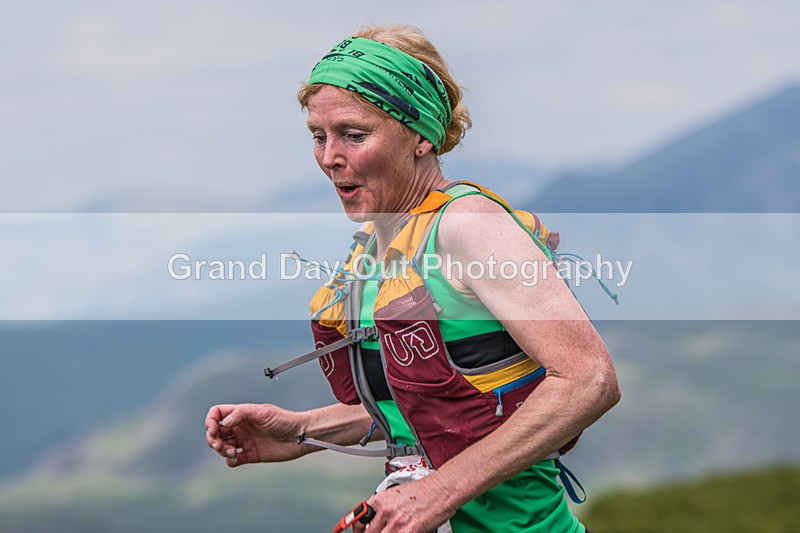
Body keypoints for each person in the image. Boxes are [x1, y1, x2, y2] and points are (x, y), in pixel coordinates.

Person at [205, 24, 620, 533]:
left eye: (354, 135)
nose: (330, 157)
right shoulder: (378, 248)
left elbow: (589, 379)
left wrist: (436, 495)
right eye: (319, 135)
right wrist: (302, 431)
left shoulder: (469, 225)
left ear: (420, 134)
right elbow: (439, 402)